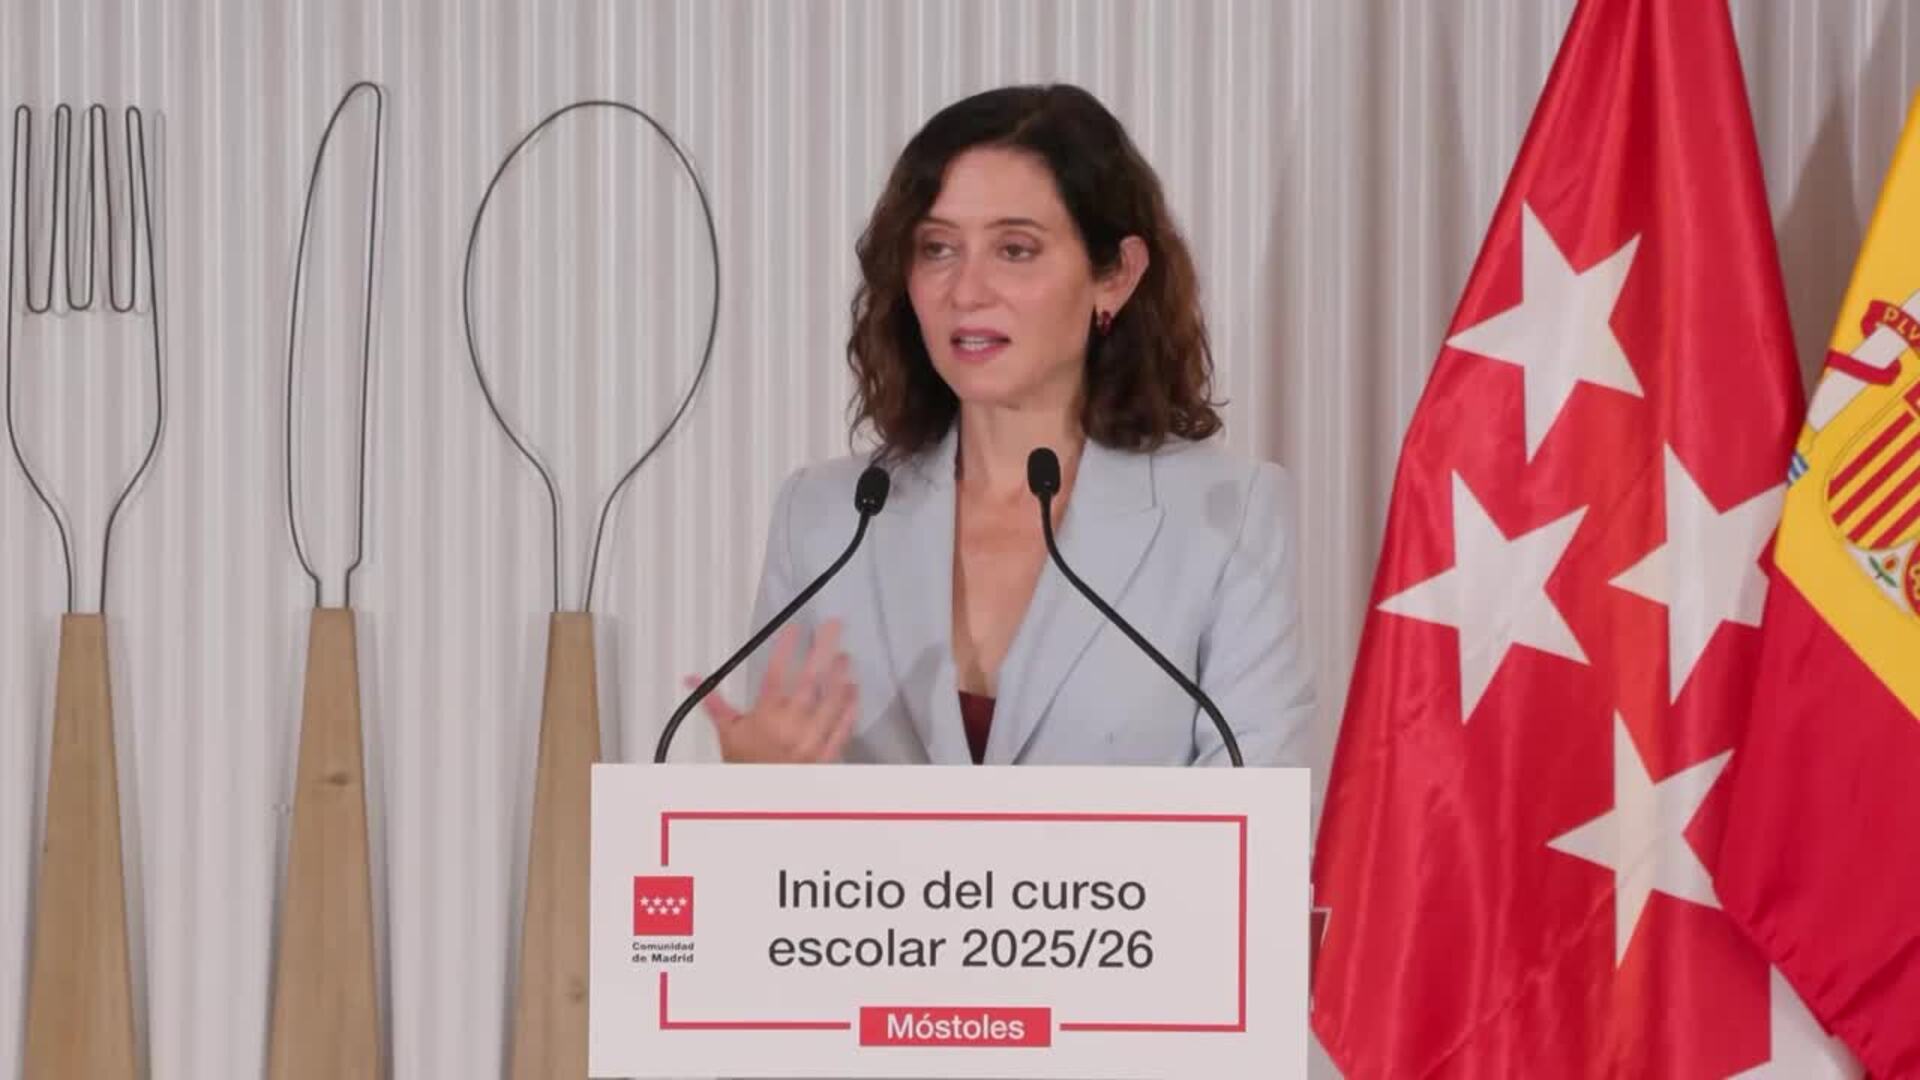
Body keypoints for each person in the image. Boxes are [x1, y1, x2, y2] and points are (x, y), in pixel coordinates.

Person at [692, 83, 1314, 767]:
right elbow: (777, 812)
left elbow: (1261, 811)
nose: (966, 291)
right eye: (937, 248)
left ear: (1115, 275)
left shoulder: (1227, 515)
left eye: (1015, 250)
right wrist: (754, 787)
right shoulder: (824, 518)